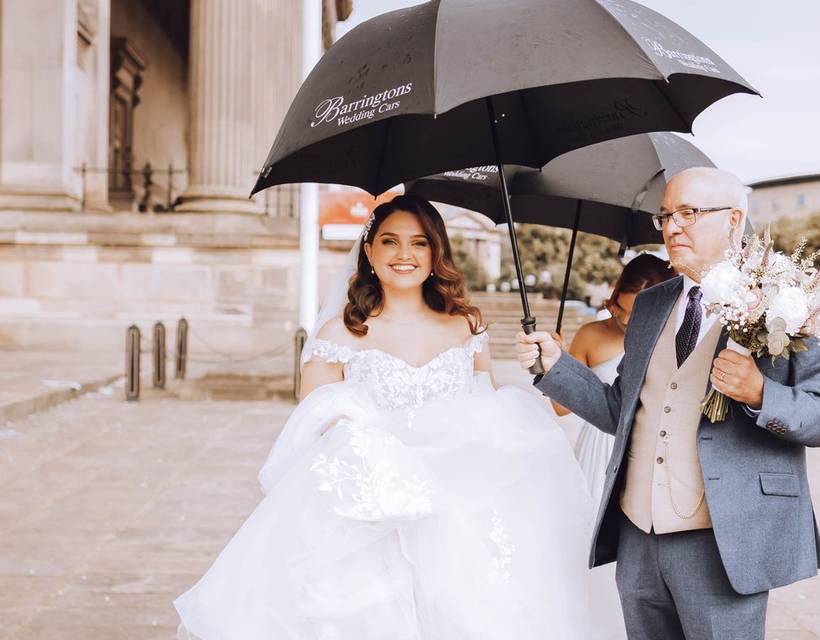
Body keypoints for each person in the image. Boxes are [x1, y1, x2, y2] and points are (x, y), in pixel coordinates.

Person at [174, 195, 595, 639]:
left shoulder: (466, 326)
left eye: (419, 243)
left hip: (459, 509)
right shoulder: (339, 334)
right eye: (390, 241)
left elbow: (483, 410)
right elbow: (315, 423)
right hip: (373, 512)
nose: (404, 254)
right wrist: (377, 464)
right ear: (370, 252)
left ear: (436, 255)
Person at [516, 167, 820, 640]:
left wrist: (759, 393)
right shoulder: (651, 306)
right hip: (637, 537)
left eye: (689, 213)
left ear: (734, 220)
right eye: (665, 215)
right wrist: (556, 367)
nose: (672, 227)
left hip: (724, 540)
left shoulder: (790, 301)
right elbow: (619, 409)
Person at [551, 253, 675, 640]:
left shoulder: (670, 336)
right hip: (596, 449)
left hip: (644, 452)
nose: (628, 322)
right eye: (622, 312)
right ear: (612, 299)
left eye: (638, 314)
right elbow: (561, 407)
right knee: (590, 546)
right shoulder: (592, 334)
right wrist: (556, 363)